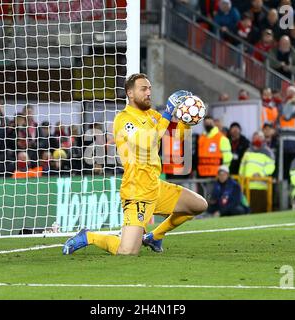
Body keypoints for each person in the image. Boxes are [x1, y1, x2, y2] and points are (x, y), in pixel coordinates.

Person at [62, 74, 208, 255]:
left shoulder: (153, 116)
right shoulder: (124, 119)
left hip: (155, 185)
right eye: (143, 89)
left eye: (149, 89)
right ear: (130, 93)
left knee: (199, 205)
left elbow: (178, 137)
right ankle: (89, 236)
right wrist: (169, 112)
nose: (148, 93)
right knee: (127, 251)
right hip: (137, 190)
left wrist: (186, 120)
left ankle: (155, 236)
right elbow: (147, 142)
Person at [239, 131, 275, 213]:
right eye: (255, 137)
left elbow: (271, 167)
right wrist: (241, 182)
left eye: (259, 137)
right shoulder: (247, 151)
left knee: (260, 210)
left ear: (263, 139)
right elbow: (242, 168)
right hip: (247, 187)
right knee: (247, 210)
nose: (257, 139)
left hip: (261, 187)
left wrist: (261, 174)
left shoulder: (268, 152)